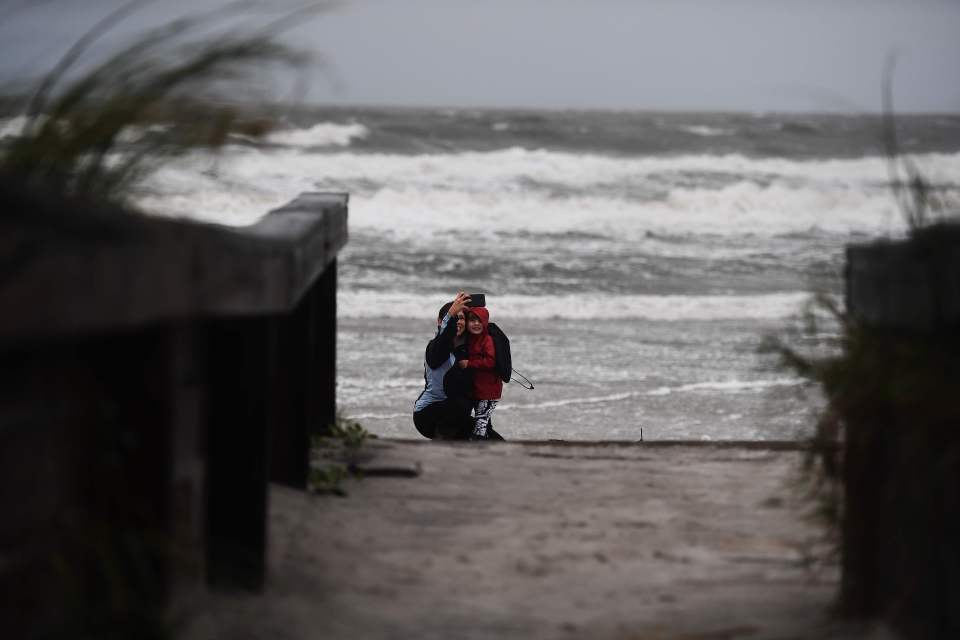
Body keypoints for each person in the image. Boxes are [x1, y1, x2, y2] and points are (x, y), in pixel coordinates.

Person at [413, 292, 474, 439]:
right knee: (461, 403)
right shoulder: (435, 347)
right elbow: (445, 338)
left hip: (452, 412)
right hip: (427, 413)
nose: (458, 322)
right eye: (454, 318)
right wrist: (451, 314)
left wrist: (478, 320)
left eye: (461, 319)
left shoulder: (462, 351)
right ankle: (442, 445)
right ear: (440, 321)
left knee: (490, 437)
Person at [457, 307, 503, 440]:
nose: (476, 324)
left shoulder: (487, 340)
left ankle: (478, 447)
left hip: (489, 391)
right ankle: (491, 445)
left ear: (485, 322)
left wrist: (469, 363)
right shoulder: (469, 339)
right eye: (472, 320)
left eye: (479, 320)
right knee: (483, 421)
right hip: (478, 389)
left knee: (481, 423)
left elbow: (491, 361)